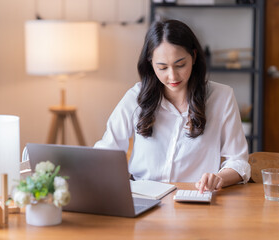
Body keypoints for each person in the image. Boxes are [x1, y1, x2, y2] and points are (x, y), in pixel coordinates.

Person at [94, 19, 250, 193]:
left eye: (180, 65)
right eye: (162, 67)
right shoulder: (136, 97)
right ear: (150, 64)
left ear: (194, 56)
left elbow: (238, 161)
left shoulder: (221, 97)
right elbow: (106, 152)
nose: (172, 76)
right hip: (143, 196)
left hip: (193, 197)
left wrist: (219, 178)